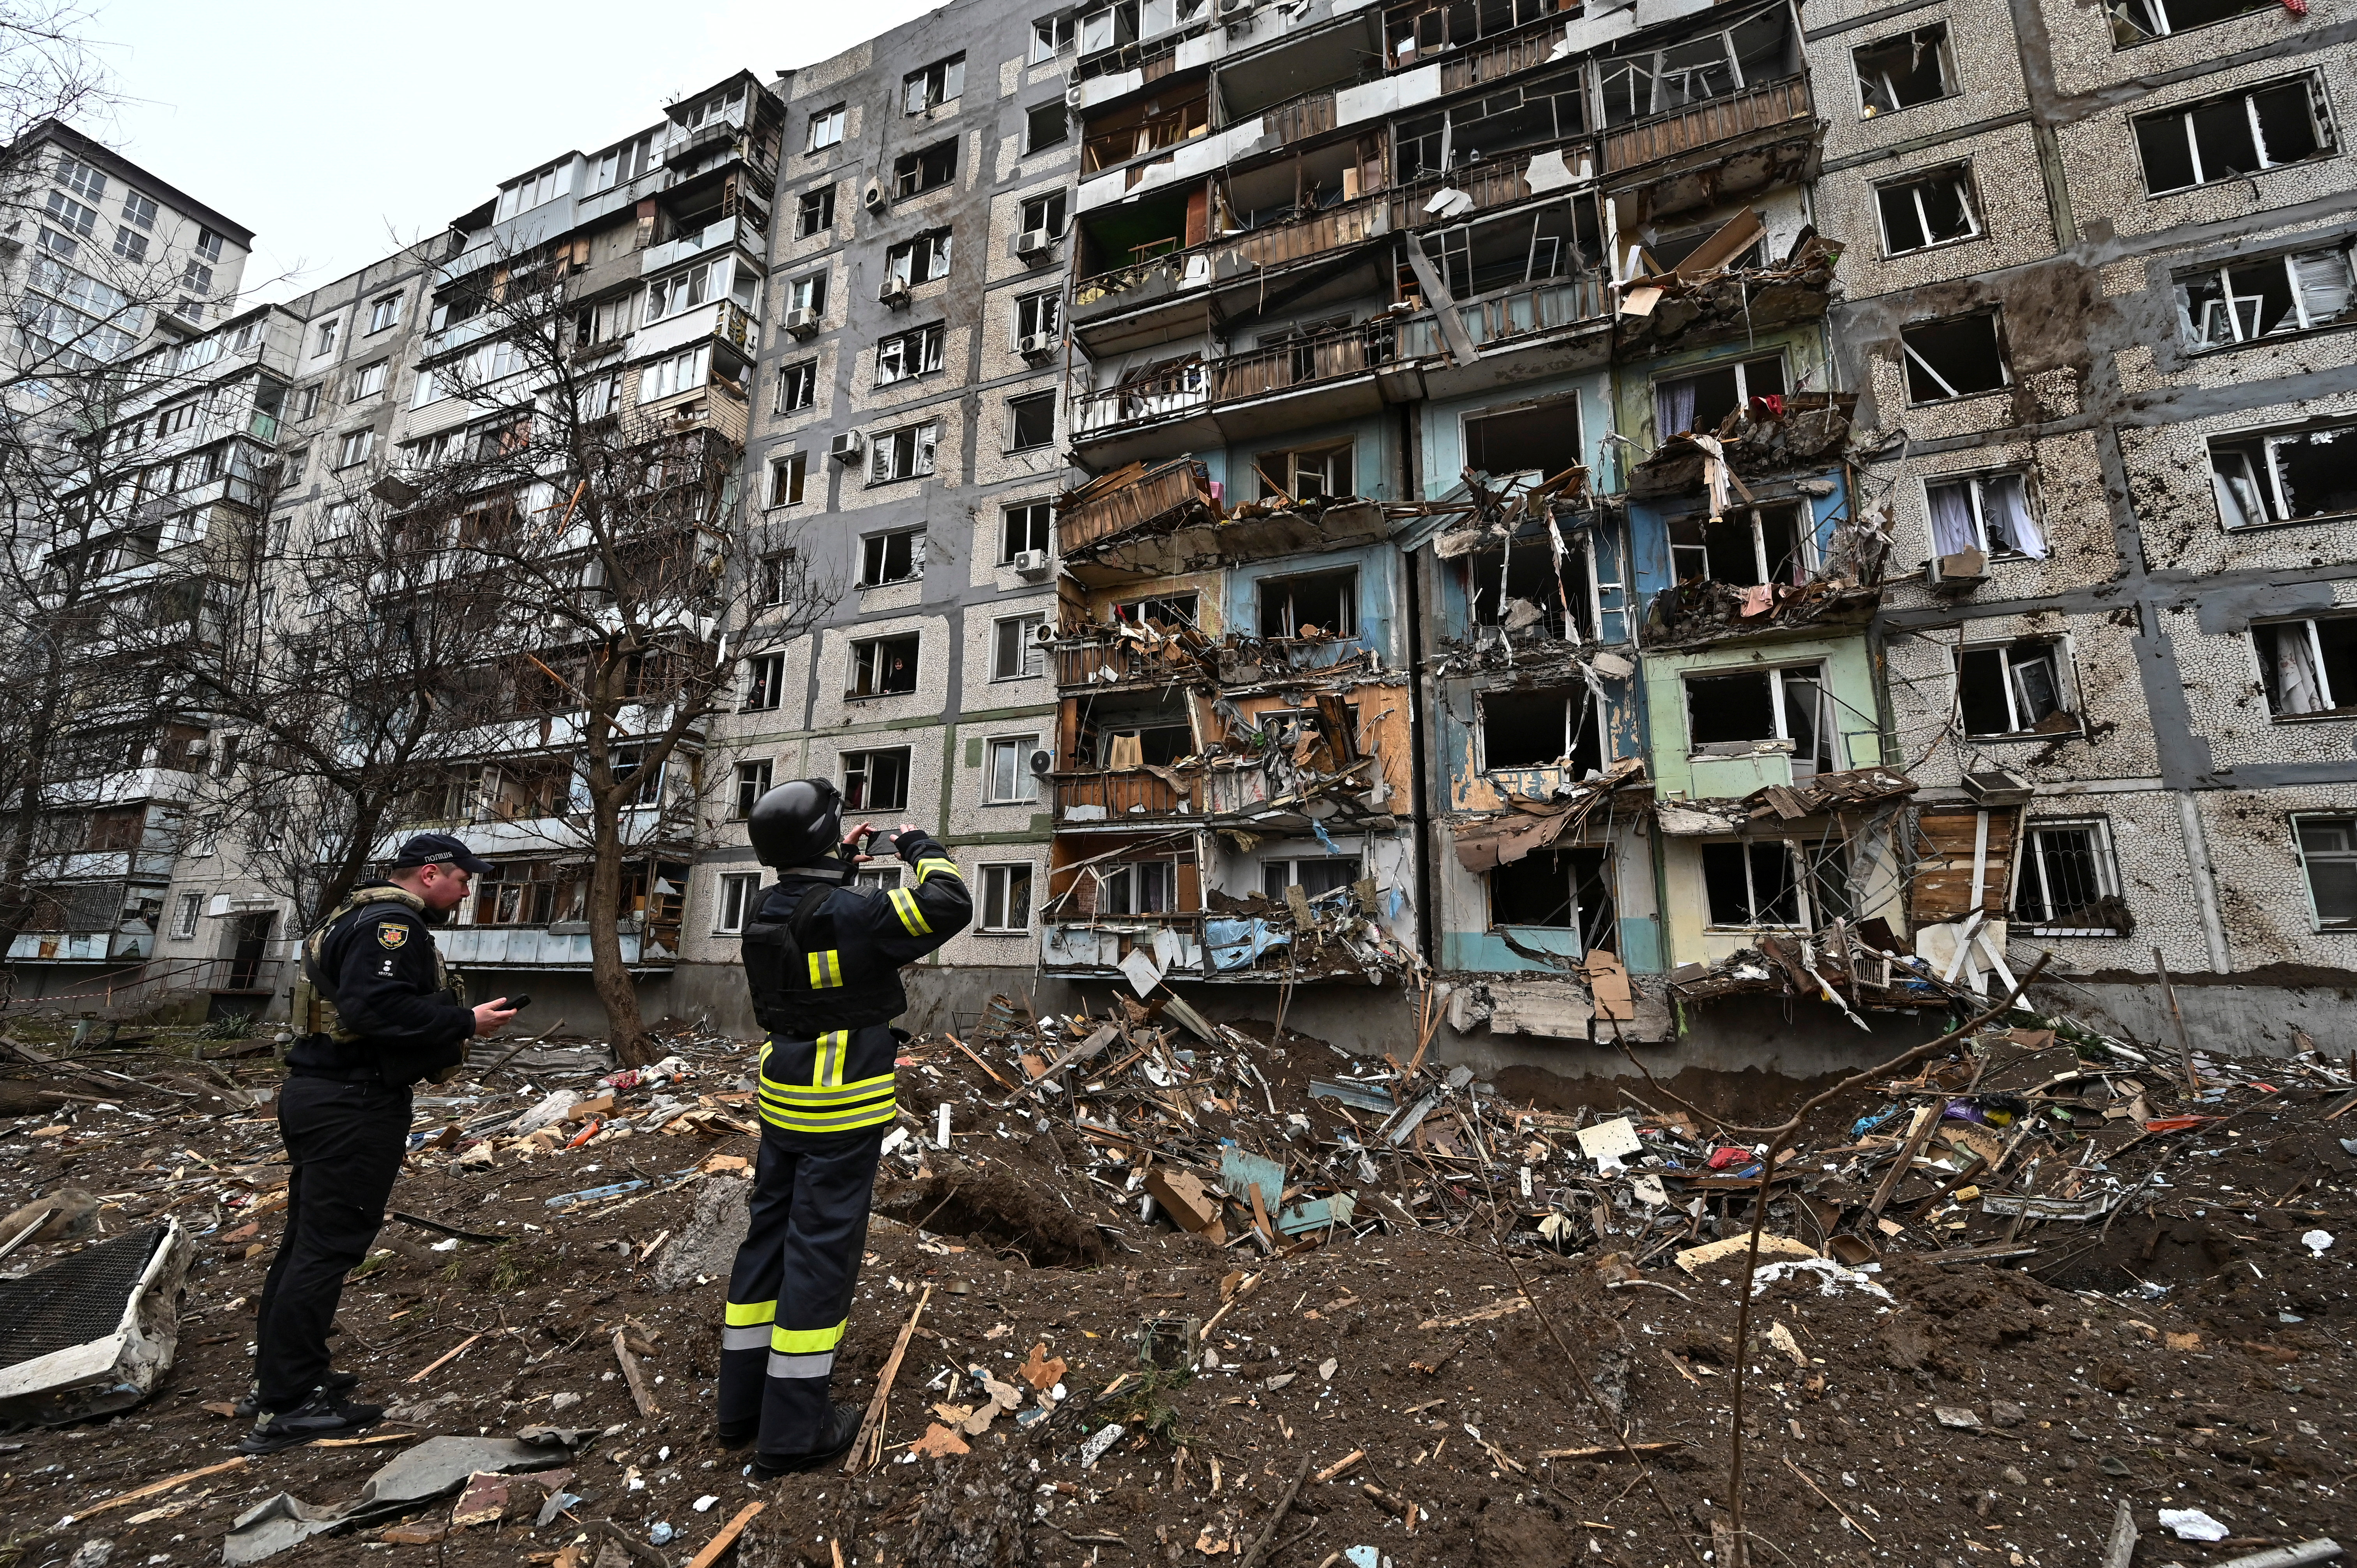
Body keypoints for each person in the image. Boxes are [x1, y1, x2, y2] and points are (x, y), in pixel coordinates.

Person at [719, 779, 970, 1475]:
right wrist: (919, 846)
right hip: (842, 1105)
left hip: (783, 1101)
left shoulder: (764, 910)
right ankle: (795, 1431)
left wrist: (837, 864)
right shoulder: (855, 914)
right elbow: (950, 902)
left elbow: (823, 927)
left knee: (766, 1242)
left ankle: (740, 1409)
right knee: (820, 1256)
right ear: (826, 840)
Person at [240, 832, 519, 1454]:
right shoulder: (390, 926)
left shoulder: (355, 912)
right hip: (352, 1103)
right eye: (463, 878)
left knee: (306, 1242)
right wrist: (465, 1022)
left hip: (324, 1095)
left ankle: (287, 1377)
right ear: (429, 874)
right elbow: (376, 1010)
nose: (468, 889)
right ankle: (288, 1406)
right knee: (326, 1248)